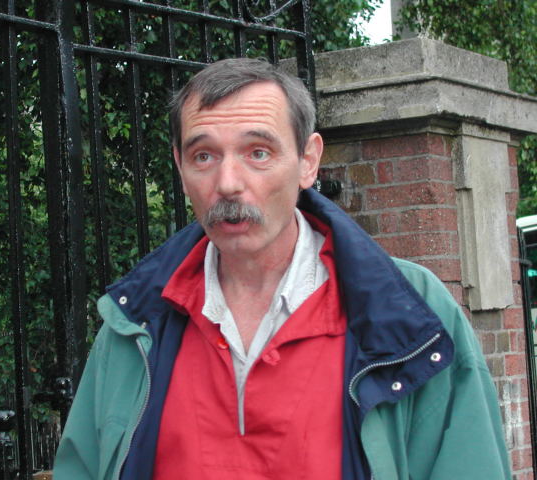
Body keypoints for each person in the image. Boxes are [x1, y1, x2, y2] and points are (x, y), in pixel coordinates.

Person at [53, 58, 511, 479]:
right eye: (204, 156)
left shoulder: (414, 315)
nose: (227, 183)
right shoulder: (134, 323)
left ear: (308, 161)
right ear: (180, 165)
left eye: (258, 152)